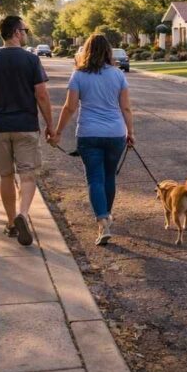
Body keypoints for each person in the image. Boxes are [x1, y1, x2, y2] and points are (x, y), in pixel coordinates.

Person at [0, 16, 54, 246]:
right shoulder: (31, 60)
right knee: (27, 175)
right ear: (17, 32)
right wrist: (50, 124)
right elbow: (41, 95)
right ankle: (23, 215)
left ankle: (10, 223)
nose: (26, 33)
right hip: (26, 127)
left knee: (5, 176)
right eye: (25, 30)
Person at [52, 33, 135, 246]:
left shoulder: (78, 76)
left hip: (89, 134)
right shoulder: (118, 75)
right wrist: (130, 132)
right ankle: (106, 214)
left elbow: (70, 107)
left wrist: (58, 131)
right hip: (115, 134)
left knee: (95, 179)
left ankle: (102, 221)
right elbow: (125, 107)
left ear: (86, 51)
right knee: (109, 177)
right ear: (108, 51)